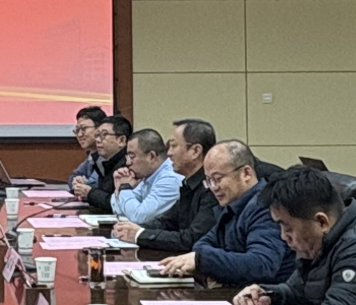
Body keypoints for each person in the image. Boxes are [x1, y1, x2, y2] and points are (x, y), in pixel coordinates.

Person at [195, 166, 356, 305]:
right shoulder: (321, 241)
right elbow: (298, 291)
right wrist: (269, 295)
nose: (284, 236)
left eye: (288, 227)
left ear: (321, 222)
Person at [156, 141, 294, 288]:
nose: (213, 187)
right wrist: (216, 267)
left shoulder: (265, 207)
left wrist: (204, 261)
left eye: (218, 178)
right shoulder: (233, 204)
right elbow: (201, 244)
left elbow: (261, 265)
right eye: (209, 180)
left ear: (246, 173)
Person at [114, 117, 218, 252]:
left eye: (174, 146)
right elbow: (167, 222)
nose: (169, 153)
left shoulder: (213, 187)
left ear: (195, 151)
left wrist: (139, 234)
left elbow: (192, 239)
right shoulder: (188, 183)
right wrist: (129, 229)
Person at [107, 127, 180, 226]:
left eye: (132, 156)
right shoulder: (148, 175)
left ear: (151, 156)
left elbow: (139, 217)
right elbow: (118, 210)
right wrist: (118, 188)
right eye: (127, 157)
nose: (128, 163)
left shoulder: (170, 178)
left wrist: (124, 187)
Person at [71, 114, 130, 211]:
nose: (97, 140)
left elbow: (119, 204)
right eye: (97, 135)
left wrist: (90, 193)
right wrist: (84, 186)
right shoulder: (104, 163)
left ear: (121, 140)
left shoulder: (129, 165)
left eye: (104, 135)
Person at [69, 105, 108, 187]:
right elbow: (72, 178)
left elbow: (98, 185)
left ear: (100, 128)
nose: (79, 134)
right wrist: (76, 181)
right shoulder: (91, 156)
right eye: (77, 130)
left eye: (84, 128)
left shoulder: (108, 155)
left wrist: (84, 184)